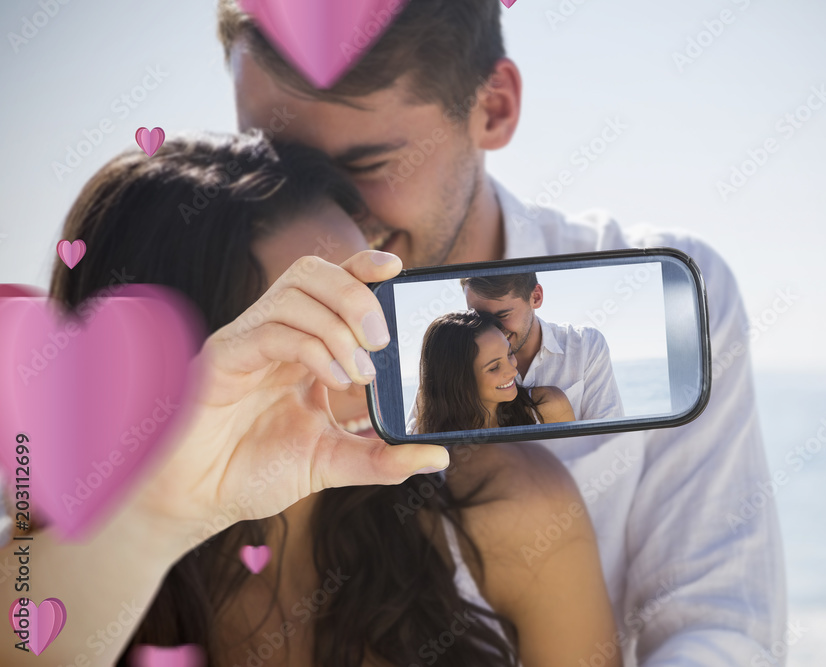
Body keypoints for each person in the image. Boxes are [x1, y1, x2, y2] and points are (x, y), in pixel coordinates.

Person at [219, 0, 788, 664]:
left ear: (493, 107)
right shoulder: (233, 344)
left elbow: (720, 625)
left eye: (368, 164)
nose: (327, 215)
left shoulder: (667, 305)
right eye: (277, 169)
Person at [0, 131, 624, 666]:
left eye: (366, 304)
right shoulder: (57, 549)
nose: (368, 362)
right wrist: (167, 507)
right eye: (311, 328)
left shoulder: (506, 505)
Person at [462, 273, 626, 421]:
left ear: (536, 297)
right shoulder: (461, 361)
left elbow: (608, 440)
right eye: (479, 317)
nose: (493, 328)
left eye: (502, 315)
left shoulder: (586, 345)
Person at [414, 310, 575, 433]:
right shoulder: (429, 433)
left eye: (509, 353)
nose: (512, 371)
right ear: (456, 379)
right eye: (494, 367)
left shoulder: (547, 406)